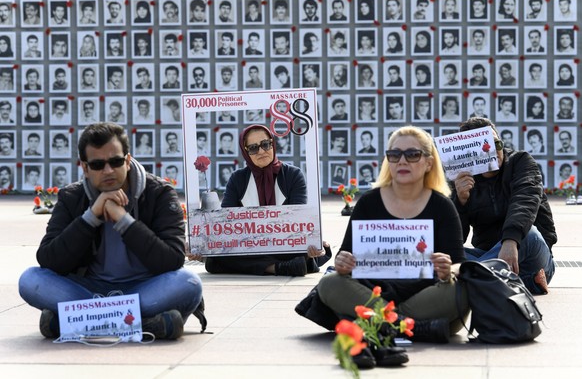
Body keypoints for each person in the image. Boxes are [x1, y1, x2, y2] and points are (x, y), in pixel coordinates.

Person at [18, 123, 203, 340]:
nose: (108, 171)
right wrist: (91, 217)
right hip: (89, 291)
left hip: (144, 288)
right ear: (85, 168)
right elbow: (49, 259)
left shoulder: (160, 193)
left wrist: (123, 219)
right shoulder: (71, 197)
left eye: (115, 162)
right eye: (97, 165)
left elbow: (172, 259)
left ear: (127, 160)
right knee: (30, 279)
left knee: (188, 283)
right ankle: (147, 324)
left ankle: (79, 322)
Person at [317, 126, 469, 343]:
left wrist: (447, 270)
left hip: (424, 295)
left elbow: (459, 263)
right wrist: (343, 262)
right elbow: (345, 256)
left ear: (429, 163)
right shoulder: (369, 202)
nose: (402, 161)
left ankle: (379, 325)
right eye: (395, 155)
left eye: (413, 154)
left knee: (461, 290)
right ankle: (410, 327)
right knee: (330, 284)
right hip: (374, 292)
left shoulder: (442, 206)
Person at [203, 124, 330, 277]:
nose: (262, 151)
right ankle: (277, 268)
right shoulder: (238, 178)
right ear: (245, 151)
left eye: (265, 144)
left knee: (307, 249)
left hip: (285, 245)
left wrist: (310, 240)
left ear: (273, 143)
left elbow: (298, 219)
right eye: (253, 148)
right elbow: (226, 222)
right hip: (250, 246)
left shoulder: (293, 175)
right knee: (214, 258)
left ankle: (273, 265)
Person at [451, 117, 556, 295]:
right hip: (487, 253)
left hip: (530, 255)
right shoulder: (461, 177)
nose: (492, 151)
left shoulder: (521, 161)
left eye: (496, 144)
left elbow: (525, 199)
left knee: (530, 234)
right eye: (483, 147)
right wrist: (459, 202)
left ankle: (472, 277)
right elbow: (455, 239)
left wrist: (511, 240)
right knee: (440, 252)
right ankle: (515, 281)